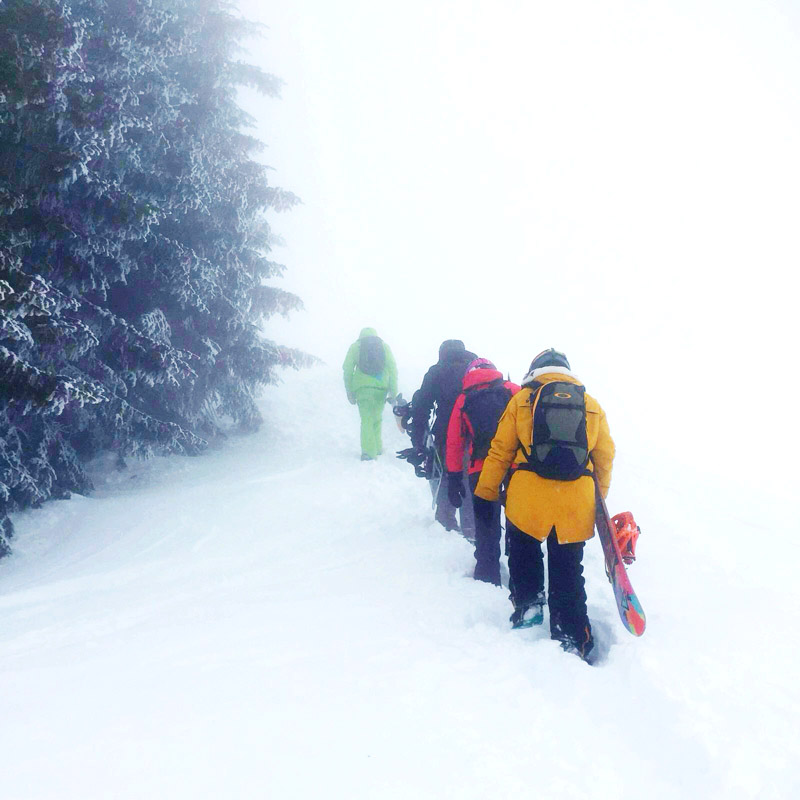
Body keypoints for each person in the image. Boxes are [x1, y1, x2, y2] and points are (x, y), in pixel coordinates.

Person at [474, 349, 615, 661]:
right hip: (575, 502)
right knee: (568, 569)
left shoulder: (522, 400)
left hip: (528, 497)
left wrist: (485, 493)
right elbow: (604, 457)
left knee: (524, 550)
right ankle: (573, 634)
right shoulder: (590, 405)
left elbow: (500, 451)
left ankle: (529, 605)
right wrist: (597, 500)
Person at [445, 359, 520, 585]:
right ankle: (521, 572)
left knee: (486, 525)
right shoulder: (511, 390)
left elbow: (454, 443)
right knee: (518, 521)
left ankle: (487, 576)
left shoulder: (464, 399)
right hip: (514, 466)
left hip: (481, 467)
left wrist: (454, 478)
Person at [404, 339, 476, 534]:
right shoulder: (476, 370)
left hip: (446, 435)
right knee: (471, 479)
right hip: (478, 437)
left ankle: (447, 529)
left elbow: (421, 408)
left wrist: (418, 443)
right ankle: (472, 531)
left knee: (447, 476)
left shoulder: (437, 371)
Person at [342, 327, 398, 461]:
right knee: (377, 418)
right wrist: (393, 391)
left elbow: (347, 369)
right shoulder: (384, 347)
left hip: (363, 389)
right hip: (380, 388)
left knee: (366, 419)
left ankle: (368, 452)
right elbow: (392, 368)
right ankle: (377, 448)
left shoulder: (356, 347)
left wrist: (349, 391)